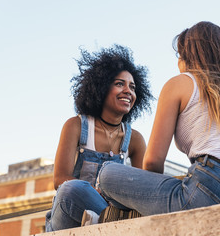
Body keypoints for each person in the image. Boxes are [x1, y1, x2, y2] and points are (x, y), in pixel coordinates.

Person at [97, 21, 220, 216]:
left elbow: (153, 162)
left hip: (212, 190)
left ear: (188, 56)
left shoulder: (181, 83)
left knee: (107, 173)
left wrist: (146, 196)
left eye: (179, 56)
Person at [45, 45, 153, 231]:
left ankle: (106, 221)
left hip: (109, 212)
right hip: (70, 212)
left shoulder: (135, 139)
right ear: (101, 88)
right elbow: (60, 179)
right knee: (71, 188)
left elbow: (143, 189)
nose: (128, 91)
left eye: (132, 87)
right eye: (120, 84)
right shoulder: (76, 125)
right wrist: (98, 195)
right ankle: (109, 221)